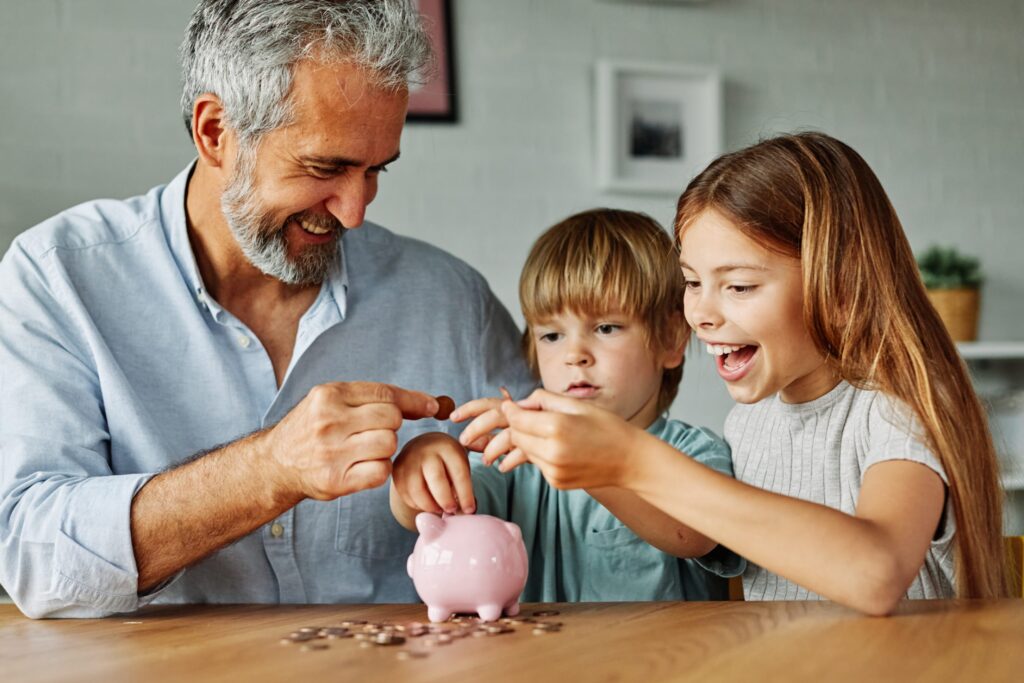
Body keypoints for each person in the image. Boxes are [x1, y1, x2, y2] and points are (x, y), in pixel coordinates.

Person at [0, 0, 533, 618]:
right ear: (215, 132)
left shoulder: (449, 299)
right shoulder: (57, 277)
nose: (355, 212)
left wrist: (460, 487)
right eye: (324, 167)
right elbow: (30, 555)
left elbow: (557, 504)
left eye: (375, 170)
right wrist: (270, 469)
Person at [471, 133, 1011, 613]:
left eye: (739, 286)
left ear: (840, 284)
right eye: (692, 282)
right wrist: (587, 457)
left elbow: (876, 572)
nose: (702, 313)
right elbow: (692, 533)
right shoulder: (751, 424)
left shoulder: (899, 406)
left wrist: (630, 458)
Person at [390, 209, 744, 601]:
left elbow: (692, 534)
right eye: (552, 335)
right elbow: (435, 513)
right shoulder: (517, 459)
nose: (575, 354)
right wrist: (419, 469)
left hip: (673, 663)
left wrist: (588, 464)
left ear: (671, 340)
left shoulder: (696, 453)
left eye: (606, 328)